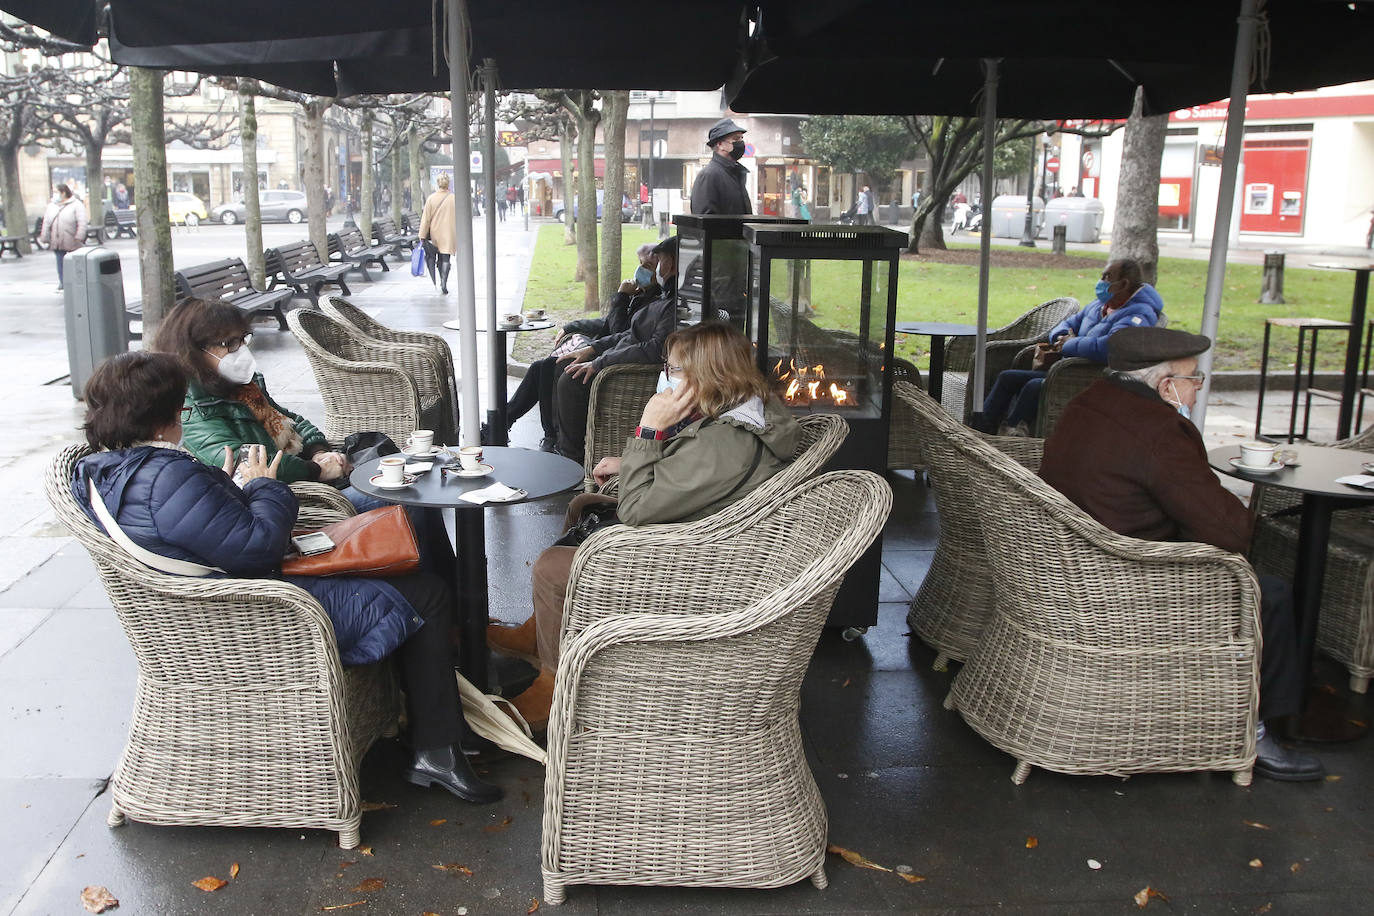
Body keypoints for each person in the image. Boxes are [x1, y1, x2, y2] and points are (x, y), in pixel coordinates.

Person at [70, 351, 503, 803]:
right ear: (161, 418)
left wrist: (224, 490)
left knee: (401, 570)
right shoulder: (166, 476)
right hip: (259, 615)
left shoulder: (108, 469)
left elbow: (193, 531)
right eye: (180, 406)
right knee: (425, 593)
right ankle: (438, 751)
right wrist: (262, 485)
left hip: (207, 612)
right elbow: (258, 549)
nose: (185, 413)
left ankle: (438, 718)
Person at [1038, 327, 1321, 782]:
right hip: (1131, 584)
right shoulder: (1160, 431)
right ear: (1165, 385)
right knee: (1268, 593)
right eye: (1194, 379)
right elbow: (1231, 531)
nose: (1196, 389)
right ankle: (1257, 730)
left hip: (1074, 567)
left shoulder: (1089, 400)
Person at [489, 321, 803, 728]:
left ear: (705, 376)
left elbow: (637, 508)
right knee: (585, 504)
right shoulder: (740, 412)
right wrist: (635, 460)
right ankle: (541, 633)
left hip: (687, 562)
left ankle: (552, 686)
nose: (666, 378)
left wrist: (648, 432)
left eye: (673, 370)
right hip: (691, 526)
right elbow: (695, 470)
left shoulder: (726, 445)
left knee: (551, 565)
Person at [974, 258, 1165, 435]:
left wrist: (1070, 344)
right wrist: (1063, 336)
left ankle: (1013, 433)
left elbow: (1113, 348)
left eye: (1107, 277)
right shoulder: (1098, 305)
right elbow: (1067, 324)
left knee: (1034, 386)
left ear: (1123, 284)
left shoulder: (1140, 313)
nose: (1101, 282)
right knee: (1007, 378)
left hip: (1087, 377)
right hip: (1063, 370)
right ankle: (980, 431)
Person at [503, 243, 661, 451]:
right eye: (640, 263)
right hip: (605, 349)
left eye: (648, 266)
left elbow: (618, 329)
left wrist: (622, 297)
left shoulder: (653, 301)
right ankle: (510, 425)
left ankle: (554, 438)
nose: (640, 270)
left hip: (614, 357)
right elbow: (607, 323)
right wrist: (573, 325)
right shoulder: (642, 294)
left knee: (554, 366)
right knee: (539, 367)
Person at [552, 236, 679, 460]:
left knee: (571, 380)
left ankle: (571, 456)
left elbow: (656, 348)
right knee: (563, 364)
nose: (657, 268)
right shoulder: (663, 297)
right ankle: (558, 442)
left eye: (659, 261)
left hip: (623, 369)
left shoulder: (673, 305)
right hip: (614, 357)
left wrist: (601, 361)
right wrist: (592, 349)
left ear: (671, 264)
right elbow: (628, 333)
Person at [689, 118, 751, 215]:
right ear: (720, 144)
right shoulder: (709, 175)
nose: (741, 143)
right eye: (736, 139)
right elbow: (705, 221)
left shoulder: (734, 173)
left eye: (741, 138)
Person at [40, 184, 87, 292]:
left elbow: (82, 222)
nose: (55, 194)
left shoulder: (76, 205)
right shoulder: (52, 205)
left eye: (57, 192)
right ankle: (63, 282)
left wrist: (79, 236)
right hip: (57, 240)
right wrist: (44, 236)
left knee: (74, 263)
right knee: (60, 262)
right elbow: (46, 222)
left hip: (71, 239)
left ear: (63, 192)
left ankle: (76, 282)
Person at [419, 173, 457, 294]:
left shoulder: (431, 198)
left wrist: (422, 235)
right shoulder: (453, 198)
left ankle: (440, 277)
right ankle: (444, 282)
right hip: (449, 232)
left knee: (438, 256)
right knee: (446, 257)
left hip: (435, 233)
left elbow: (426, 219)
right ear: (448, 183)